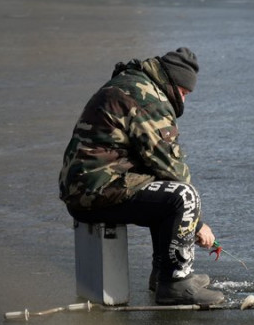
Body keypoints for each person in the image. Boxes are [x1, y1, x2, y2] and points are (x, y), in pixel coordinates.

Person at [58, 47, 225, 305]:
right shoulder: (147, 98)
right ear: (172, 82)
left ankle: (163, 274)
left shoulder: (132, 82)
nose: (184, 100)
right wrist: (199, 224)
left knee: (163, 188)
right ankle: (176, 283)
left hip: (87, 186)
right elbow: (172, 166)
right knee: (184, 196)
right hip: (95, 191)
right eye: (183, 93)